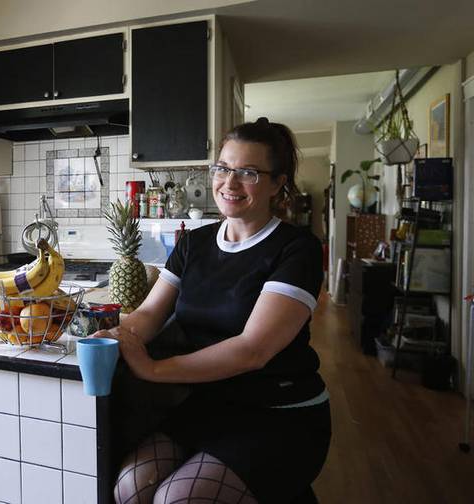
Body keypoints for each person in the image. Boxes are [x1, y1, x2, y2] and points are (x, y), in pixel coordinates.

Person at [92, 118, 331, 504]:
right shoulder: (194, 244)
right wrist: (115, 333)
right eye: (222, 168)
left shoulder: (296, 249)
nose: (229, 183)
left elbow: (252, 350)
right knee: (129, 488)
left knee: (177, 499)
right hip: (208, 405)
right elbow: (150, 315)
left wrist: (151, 369)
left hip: (279, 414)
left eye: (248, 173)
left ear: (277, 183)